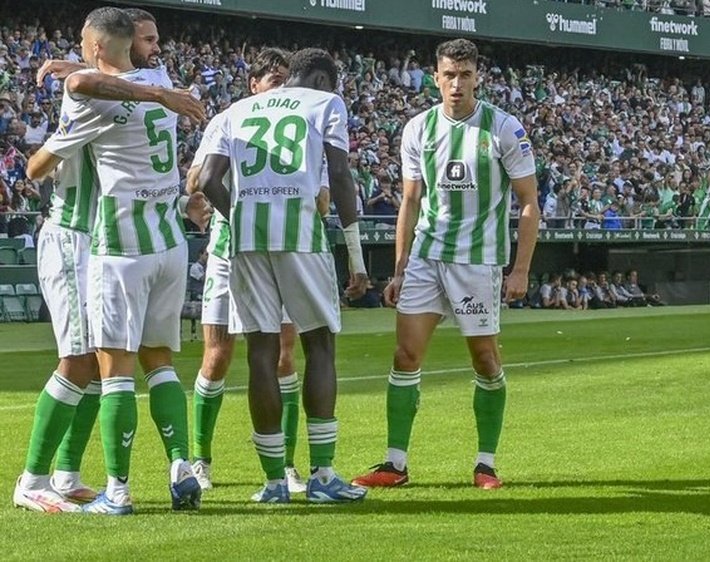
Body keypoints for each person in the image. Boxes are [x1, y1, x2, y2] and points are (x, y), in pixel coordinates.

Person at [13, 12, 203, 515]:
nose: (156, 48)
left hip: (105, 240)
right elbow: (95, 74)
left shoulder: (100, 94)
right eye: (148, 39)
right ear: (127, 47)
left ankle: (65, 474)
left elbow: (86, 79)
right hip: (80, 236)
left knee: (99, 366)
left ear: (97, 48)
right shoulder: (151, 85)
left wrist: (76, 70)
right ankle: (35, 478)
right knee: (84, 361)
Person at [352, 38, 540, 490]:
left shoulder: (504, 129)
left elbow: (529, 201)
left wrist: (521, 269)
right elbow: (411, 201)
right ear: (435, 77)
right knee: (405, 355)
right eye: (449, 75)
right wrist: (398, 268)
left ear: (478, 77)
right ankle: (395, 464)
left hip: (478, 262)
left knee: (485, 360)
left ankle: (486, 464)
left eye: (465, 75)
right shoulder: (418, 128)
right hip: (426, 258)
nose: (456, 84)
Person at [199, 48, 368, 505]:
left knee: (260, 351)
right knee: (319, 343)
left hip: (246, 238)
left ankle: (274, 483)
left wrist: (240, 215)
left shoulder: (235, 110)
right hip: (300, 234)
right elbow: (338, 171)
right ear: (318, 77)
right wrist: (356, 257)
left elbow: (208, 180)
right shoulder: (325, 104)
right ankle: (323, 476)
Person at [184, 48, 311, 494]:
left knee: (283, 356)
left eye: (285, 78)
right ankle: (200, 460)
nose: (278, 84)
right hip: (228, 248)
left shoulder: (303, 121)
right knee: (218, 356)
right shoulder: (228, 119)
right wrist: (203, 187)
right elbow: (194, 179)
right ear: (253, 84)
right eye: (271, 78)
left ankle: (288, 464)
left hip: (280, 246)